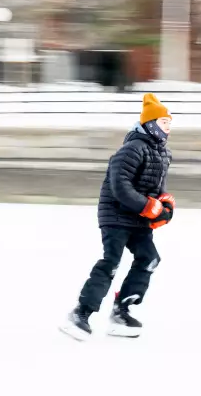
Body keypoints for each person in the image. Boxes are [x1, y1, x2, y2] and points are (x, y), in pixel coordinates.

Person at [61, 93, 174, 340]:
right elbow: (120, 186)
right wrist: (148, 206)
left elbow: (158, 189)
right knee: (111, 262)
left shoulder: (163, 154)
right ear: (151, 123)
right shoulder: (132, 149)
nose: (168, 128)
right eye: (165, 122)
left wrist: (165, 206)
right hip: (115, 216)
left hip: (138, 218)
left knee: (150, 258)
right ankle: (81, 313)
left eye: (169, 123)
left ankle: (121, 309)